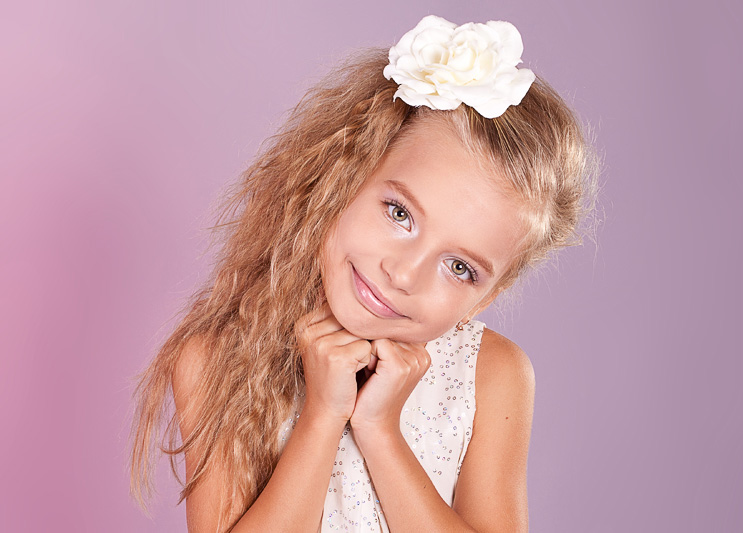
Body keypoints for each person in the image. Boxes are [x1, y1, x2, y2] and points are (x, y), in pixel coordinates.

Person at [130, 15, 597, 532]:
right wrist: (321, 416)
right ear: (342, 180)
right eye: (399, 214)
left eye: (459, 267)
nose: (404, 274)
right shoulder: (217, 358)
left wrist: (379, 430)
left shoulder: (491, 375)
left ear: (486, 297)